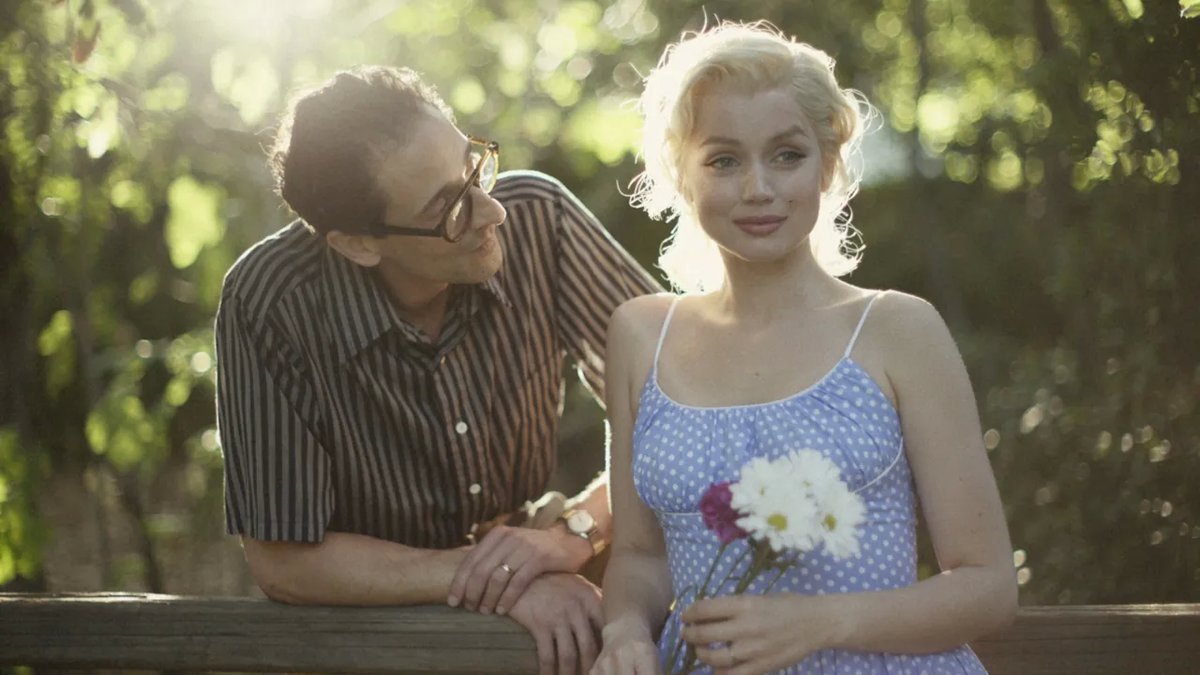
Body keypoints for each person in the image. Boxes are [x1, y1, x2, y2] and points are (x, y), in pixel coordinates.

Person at [593, 22, 1017, 675]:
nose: (758, 188)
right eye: (724, 160)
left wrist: (821, 622)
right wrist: (624, 631)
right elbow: (641, 557)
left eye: (787, 155)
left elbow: (988, 586)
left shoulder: (898, 329)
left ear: (829, 163)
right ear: (681, 172)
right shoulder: (641, 334)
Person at [214, 65, 660, 675]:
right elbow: (285, 562)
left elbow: (690, 405)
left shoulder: (539, 217)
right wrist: (504, 579)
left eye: (474, 167)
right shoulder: (270, 300)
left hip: (550, 568)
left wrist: (571, 535)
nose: (491, 211)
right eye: (449, 207)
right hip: (371, 640)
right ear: (358, 244)